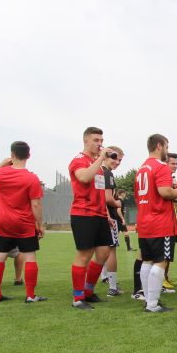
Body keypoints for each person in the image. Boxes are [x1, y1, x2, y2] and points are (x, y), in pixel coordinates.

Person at [0, 141, 47, 303]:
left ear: (12, 155)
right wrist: (40, 224)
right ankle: (30, 295)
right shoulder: (31, 178)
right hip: (24, 223)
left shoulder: (1, 173)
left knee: (0, 256)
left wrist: (1, 163)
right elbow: (36, 204)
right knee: (30, 256)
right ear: (28, 155)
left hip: (4, 222)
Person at [135, 134, 177, 313]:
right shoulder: (161, 167)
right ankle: (153, 304)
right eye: (166, 147)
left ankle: (149, 301)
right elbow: (165, 192)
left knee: (147, 261)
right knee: (161, 262)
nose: (167, 151)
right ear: (159, 146)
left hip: (144, 221)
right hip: (160, 222)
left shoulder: (141, 169)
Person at [68, 127, 112, 310]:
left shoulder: (97, 165)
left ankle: (88, 291)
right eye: (96, 140)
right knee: (84, 255)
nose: (99, 144)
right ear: (85, 141)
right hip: (83, 214)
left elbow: (99, 192)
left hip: (100, 214)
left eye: (101, 140)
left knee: (103, 253)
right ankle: (78, 298)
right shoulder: (79, 160)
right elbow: (84, 177)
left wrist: (107, 214)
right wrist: (101, 158)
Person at [99, 146, 125, 296]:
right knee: (111, 250)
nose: (117, 162)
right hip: (107, 218)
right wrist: (117, 203)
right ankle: (113, 287)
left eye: (120, 160)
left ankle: (99, 279)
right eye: (115, 158)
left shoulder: (98, 171)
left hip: (98, 215)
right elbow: (107, 199)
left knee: (99, 251)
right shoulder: (107, 173)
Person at [162, 152, 177, 292]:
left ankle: (165, 277)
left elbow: (176, 203)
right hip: (163, 223)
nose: (175, 166)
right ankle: (161, 280)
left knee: (168, 253)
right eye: (172, 163)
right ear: (166, 164)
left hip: (172, 222)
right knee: (164, 253)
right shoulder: (164, 180)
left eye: (176, 163)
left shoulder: (172, 180)